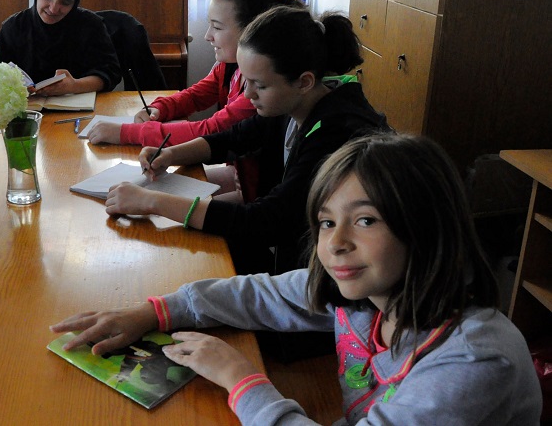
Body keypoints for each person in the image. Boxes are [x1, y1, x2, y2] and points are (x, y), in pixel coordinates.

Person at [52, 134, 542, 425]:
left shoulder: (474, 360)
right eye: (327, 222)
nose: (336, 243)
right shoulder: (368, 295)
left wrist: (242, 379)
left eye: (365, 220)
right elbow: (263, 293)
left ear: (426, 227)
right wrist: (154, 311)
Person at [106, 6, 389, 275]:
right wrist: (170, 154)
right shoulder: (294, 103)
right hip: (290, 252)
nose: (249, 94)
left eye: (259, 85)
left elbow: (268, 220)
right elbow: (236, 137)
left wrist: (153, 202)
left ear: (304, 81)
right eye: (247, 81)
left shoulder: (336, 135)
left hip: (321, 274)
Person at [86, 0, 303, 202]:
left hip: (256, 193)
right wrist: (160, 108)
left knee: (164, 206)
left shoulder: (259, 89)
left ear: (251, 31)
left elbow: (210, 130)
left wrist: (127, 133)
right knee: (151, 190)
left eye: (217, 27)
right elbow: (195, 95)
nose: (207, 35)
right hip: (239, 176)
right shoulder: (229, 66)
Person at [0, 0, 121, 96]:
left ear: (75, 3)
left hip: (78, 106)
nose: (53, 9)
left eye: (65, 3)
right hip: (27, 107)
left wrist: (74, 86)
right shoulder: (13, 28)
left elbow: (110, 72)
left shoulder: (91, 26)